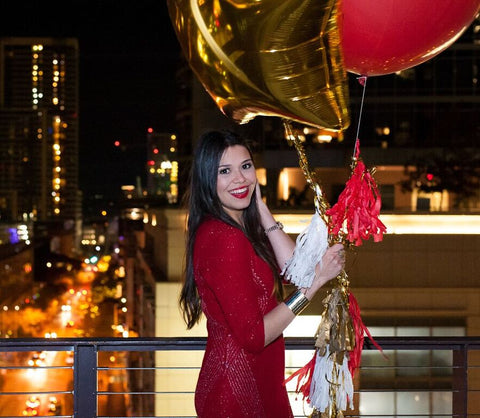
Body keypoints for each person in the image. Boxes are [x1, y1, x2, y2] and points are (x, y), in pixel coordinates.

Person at [180, 129, 345, 418]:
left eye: (245, 167)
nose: (240, 179)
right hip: (237, 392)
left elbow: (296, 272)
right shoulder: (224, 238)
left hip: (260, 382)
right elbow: (254, 336)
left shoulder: (239, 228)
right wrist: (317, 283)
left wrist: (261, 208)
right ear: (208, 179)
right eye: (225, 171)